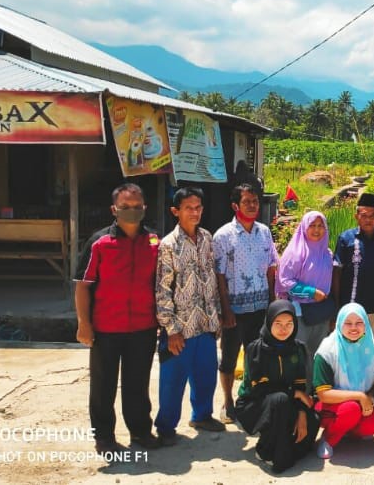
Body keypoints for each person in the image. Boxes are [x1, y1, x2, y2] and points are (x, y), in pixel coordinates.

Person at [74, 182, 162, 454]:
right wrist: (84, 324)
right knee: (103, 386)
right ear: (114, 209)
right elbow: (82, 285)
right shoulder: (100, 243)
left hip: (143, 327)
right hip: (106, 328)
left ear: (144, 208)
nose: (132, 211)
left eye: (137, 207)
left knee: (138, 384)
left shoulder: (155, 242)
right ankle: (104, 437)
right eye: (125, 207)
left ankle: (141, 432)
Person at [154, 187, 225, 445]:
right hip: (180, 328)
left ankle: (202, 415)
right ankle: (166, 427)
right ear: (176, 211)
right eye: (188, 208)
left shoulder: (207, 238)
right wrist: (171, 329)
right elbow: (162, 290)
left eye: (198, 208)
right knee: (173, 381)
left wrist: (216, 316)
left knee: (206, 375)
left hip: (205, 324)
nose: (194, 212)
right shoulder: (168, 245)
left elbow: (212, 280)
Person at [214, 183, 280, 423]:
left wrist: (273, 302)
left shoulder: (264, 232)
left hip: (261, 307)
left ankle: (252, 399)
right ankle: (228, 403)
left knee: (257, 357)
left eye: (255, 201)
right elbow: (219, 275)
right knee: (229, 358)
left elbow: (271, 269)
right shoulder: (223, 236)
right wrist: (226, 309)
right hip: (235, 310)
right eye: (247, 201)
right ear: (235, 205)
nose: (253, 205)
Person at [235, 300, 319, 473]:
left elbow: (302, 386)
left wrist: (302, 414)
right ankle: (265, 448)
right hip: (255, 404)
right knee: (279, 401)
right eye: (278, 324)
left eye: (289, 324)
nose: (284, 329)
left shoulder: (298, 349)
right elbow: (259, 388)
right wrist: (294, 393)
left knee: (313, 420)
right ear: (269, 322)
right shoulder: (255, 350)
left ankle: (282, 446)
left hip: (287, 402)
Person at [312, 302, 374, 460]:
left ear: (366, 324)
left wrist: (371, 397)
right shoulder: (327, 351)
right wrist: (360, 396)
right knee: (351, 410)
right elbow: (323, 394)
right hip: (329, 406)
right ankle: (328, 439)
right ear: (339, 324)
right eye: (348, 323)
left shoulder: (371, 348)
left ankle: (347, 430)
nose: (354, 328)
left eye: (359, 323)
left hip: (358, 404)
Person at [276, 210, 336, 391]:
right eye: (312, 226)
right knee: (298, 354)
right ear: (304, 227)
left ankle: (312, 392)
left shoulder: (327, 253)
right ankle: (294, 393)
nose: (317, 230)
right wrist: (311, 292)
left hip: (320, 313)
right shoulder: (295, 252)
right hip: (299, 313)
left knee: (317, 355)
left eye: (320, 226)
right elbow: (284, 281)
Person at [332, 192, 374, 343]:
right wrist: (336, 304)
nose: (368, 219)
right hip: (350, 306)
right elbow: (337, 273)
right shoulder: (346, 239)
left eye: (373, 215)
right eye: (364, 215)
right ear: (356, 216)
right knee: (349, 347)